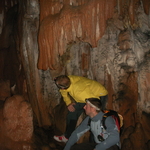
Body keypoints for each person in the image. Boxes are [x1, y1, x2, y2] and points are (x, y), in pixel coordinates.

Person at [53, 75, 108, 143]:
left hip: (98, 95)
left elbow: (94, 101)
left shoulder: (80, 93)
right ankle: (67, 136)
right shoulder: (68, 79)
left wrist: (89, 109)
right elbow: (63, 92)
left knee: (95, 117)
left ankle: (95, 140)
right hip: (85, 95)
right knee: (72, 112)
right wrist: (69, 103)